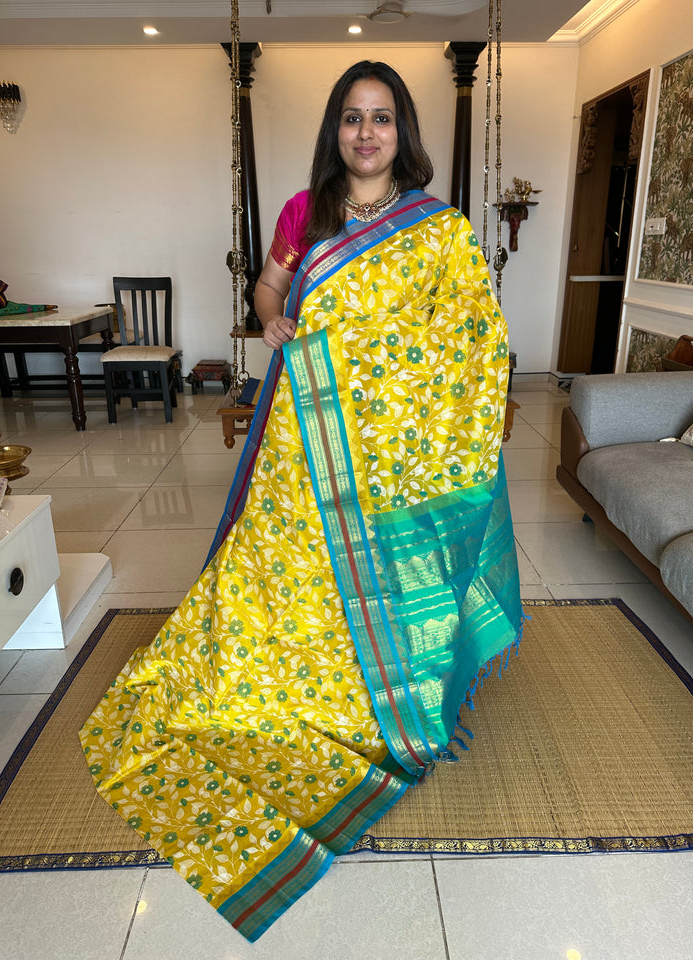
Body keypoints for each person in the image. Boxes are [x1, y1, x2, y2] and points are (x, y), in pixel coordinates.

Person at [81, 60, 523, 943]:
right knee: (291, 563)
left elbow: (469, 333)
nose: (367, 133)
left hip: (393, 442)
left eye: (383, 118)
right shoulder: (303, 212)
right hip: (310, 426)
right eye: (353, 119)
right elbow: (270, 289)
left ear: (404, 133)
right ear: (336, 130)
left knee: (379, 567)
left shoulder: (439, 230)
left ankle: (385, 691)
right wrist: (273, 319)